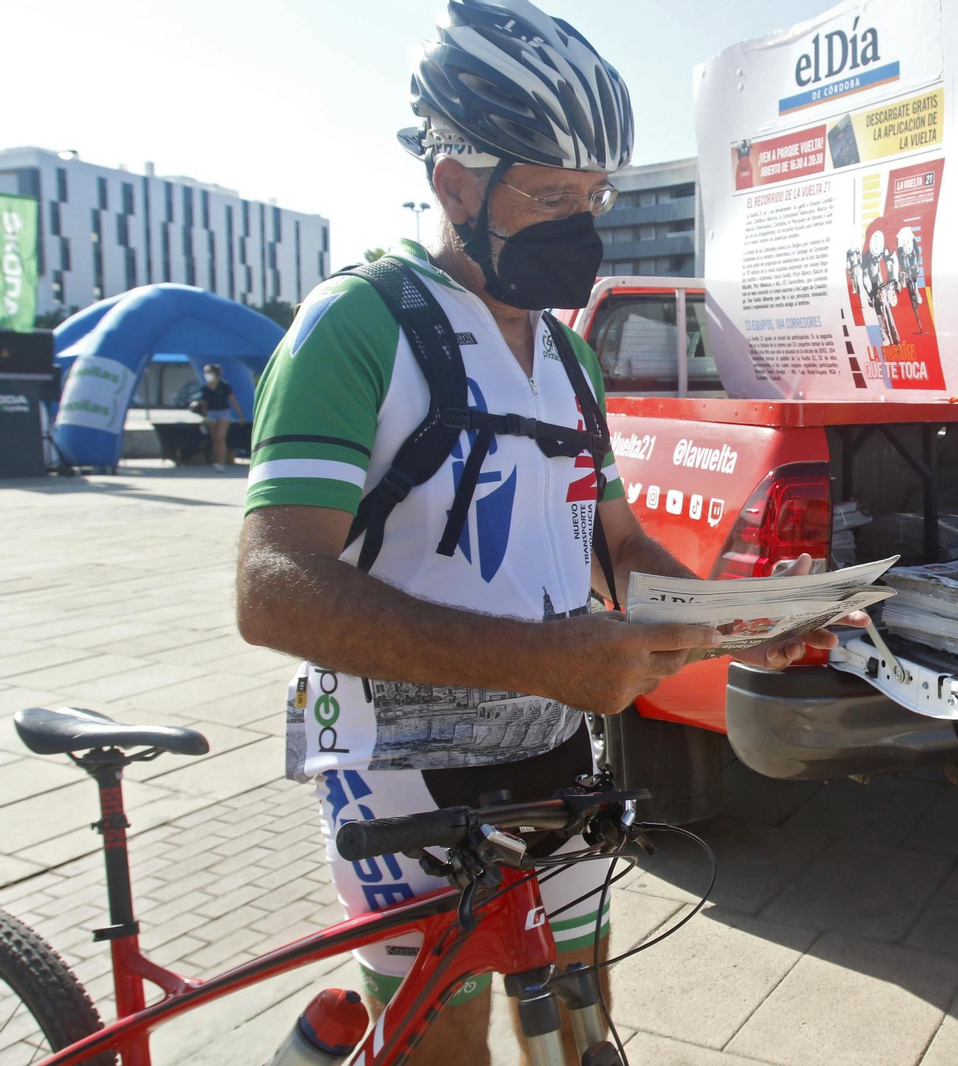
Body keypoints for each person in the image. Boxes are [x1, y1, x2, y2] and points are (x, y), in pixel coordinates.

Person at [234, 3, 857, 1061]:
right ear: (453, 181)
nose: (586, 218)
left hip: (552, 743)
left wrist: (732, 620)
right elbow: (270, 588)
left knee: (580, 1032)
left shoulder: (572, 361)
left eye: (596, 195)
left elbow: (616, 547)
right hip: (393, 759)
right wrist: (539, 656)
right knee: (449, 1043)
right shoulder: (354, 325)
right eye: (555, 194)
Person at [198, 363, 243, 472]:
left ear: (215, 373)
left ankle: (222, 462)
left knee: (220, 438)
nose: (207, 374)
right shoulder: (205, 388)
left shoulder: (224, 386)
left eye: (209, 372)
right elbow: (204, 404)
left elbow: (233, 400)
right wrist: (204, 418)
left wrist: (240, 415)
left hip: (224, 412)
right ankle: (217, 462)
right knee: (214, 439)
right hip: (211, 413)